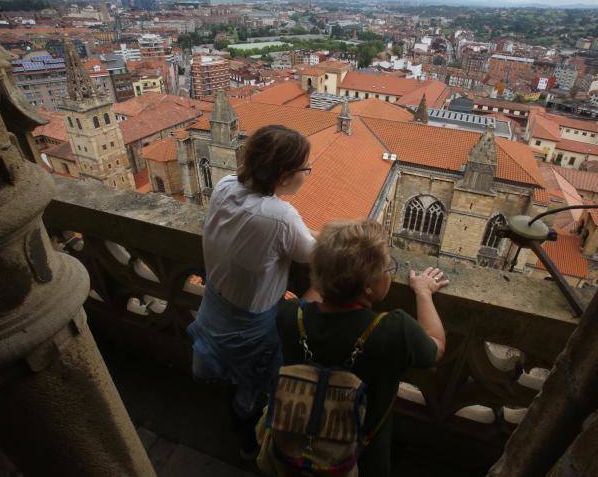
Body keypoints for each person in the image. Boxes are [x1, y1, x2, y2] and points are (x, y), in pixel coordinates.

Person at [276, 219, 447, 476]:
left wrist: (329, 266)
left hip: (294, 448)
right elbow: (436, 347)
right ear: (368, 286)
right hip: (363, 454)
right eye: (388, 267)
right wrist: (423, 292)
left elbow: (310, 301)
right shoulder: (394, 330)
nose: (390, 271)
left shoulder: (290, 316)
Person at [187, 125, 315, 458]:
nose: (308, 175)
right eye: (306, 168)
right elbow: (313, 256)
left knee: (229, 378)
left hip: (213, 308)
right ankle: (249, 444)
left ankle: (239, 427)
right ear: (285, 175)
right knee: (252, 390)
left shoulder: (225, 185)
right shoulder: (281, 217)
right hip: (251, 328)